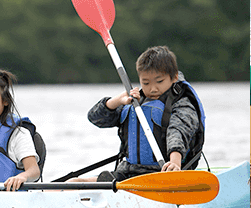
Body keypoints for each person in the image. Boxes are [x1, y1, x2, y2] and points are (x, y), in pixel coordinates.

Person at [68, 46, 205, 183]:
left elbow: (178, 132)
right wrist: (117, 101)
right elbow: (95, 118)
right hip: (128, 173)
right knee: (74, 182)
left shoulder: (182, 104)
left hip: (164, 173)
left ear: (174, 77)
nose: (152, 88)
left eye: (159, 81)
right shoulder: (134, 101)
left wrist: (175, 163)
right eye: (145, 83)